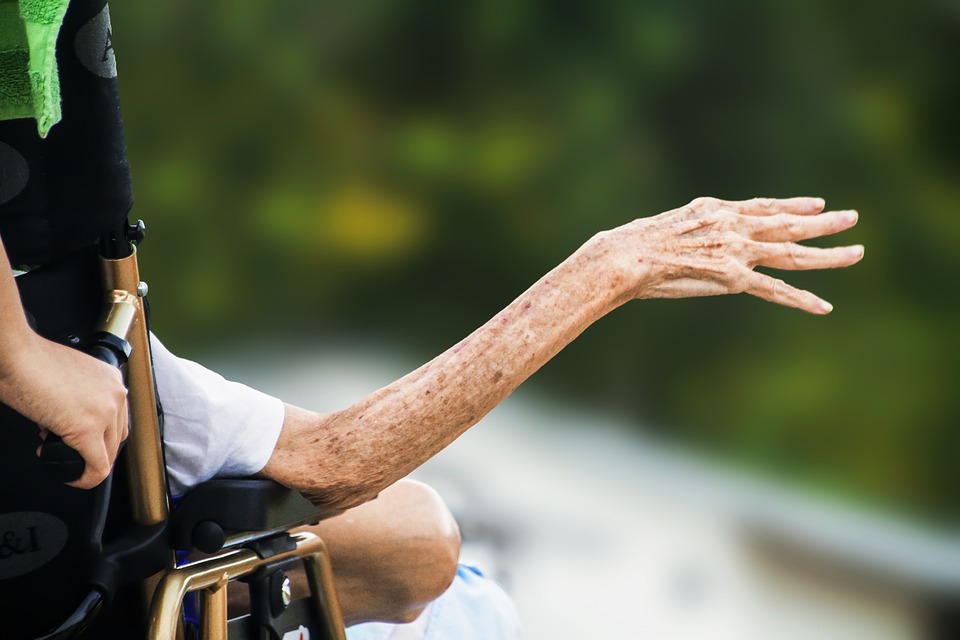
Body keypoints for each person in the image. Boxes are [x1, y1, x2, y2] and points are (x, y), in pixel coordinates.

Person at [0, 0, 864, 637]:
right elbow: (341, 464)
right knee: (462, 595)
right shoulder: (81, 351)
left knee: (423, 548)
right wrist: (611, 267)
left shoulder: (83, 336)